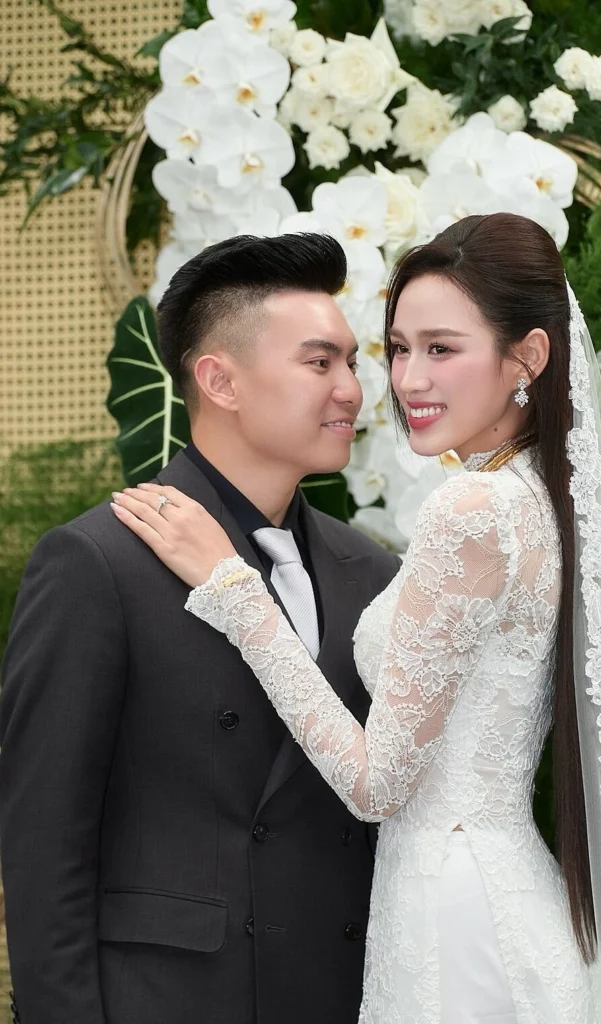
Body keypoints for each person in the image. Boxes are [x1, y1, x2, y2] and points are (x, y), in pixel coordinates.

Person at [112, 213, 601, 1024]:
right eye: (399, 349)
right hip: (493, 887)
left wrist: (235, 592)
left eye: (441, 349)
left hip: (453, 917)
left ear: (527, 357)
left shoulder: (473, 509)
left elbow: (375, 784)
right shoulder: (537, 497)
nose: (409, 380)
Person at [0, 233, 401, 1024]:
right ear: (219, 380)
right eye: (319, 363)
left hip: (338, 994)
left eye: (353, 363)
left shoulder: (373, 572)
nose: (352, 390)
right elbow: (44, 840)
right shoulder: (96, 563)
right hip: (171, 999)